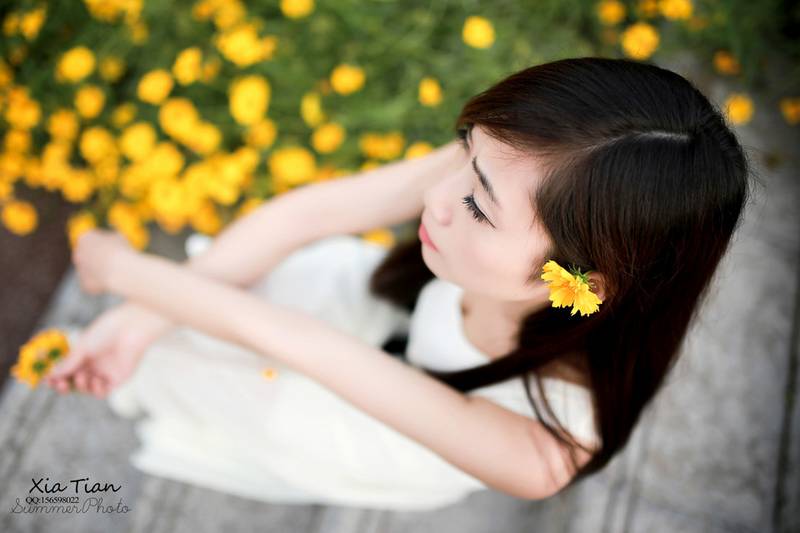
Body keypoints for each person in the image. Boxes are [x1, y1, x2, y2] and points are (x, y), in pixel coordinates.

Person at [44, 57, 754, 511]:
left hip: (359, 427)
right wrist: (135, 319)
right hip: (367, 311)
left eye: (477, 205)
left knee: (224, 397)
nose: (437, 198)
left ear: (575, 282)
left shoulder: (545, 448)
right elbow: (316, 211)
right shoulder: (517, 169)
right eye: (466, 156)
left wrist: (128, 271)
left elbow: (304, 347)